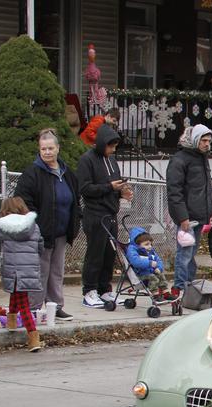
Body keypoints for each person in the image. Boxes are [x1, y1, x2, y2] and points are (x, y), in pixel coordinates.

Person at [14, 128, 80, 321]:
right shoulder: (32, 173)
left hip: (61, 231)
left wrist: (77, 218)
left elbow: (75, 198)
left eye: (51, 148)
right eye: (44, 149)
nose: (48, 152)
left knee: (57, 271)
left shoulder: (67, 172)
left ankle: (56, 307)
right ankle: (33, 309)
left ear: (58, 148)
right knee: (39, 271)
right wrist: (35, 224)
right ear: (39, 150)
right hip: (40, 232)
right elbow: (22, 201)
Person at [0, 197, 43, 352]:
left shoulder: (4, 226)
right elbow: (40, 245)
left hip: (14, 269)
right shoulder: (32, 225)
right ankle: (12, 321)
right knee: (17, 293)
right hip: (29, 268)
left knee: (24, 304)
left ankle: (33, 337)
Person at [78, 123, 130, 308]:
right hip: (95, 214)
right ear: (102, 143)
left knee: (109, 254)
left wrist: (120, 192)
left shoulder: (112, 161)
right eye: (110, 146)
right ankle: (89, 290)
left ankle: (105, 289)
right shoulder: (87, 160)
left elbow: (114, 185)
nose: (113, 149)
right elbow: (84, 188)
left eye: (115, 146)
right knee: (95, 254)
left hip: (111, 213)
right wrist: (110, 188)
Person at [166, 124, 212, 297]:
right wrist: (182, 217)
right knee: (184, 254)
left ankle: (189, 288)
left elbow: (204, 188)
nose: (207, 144)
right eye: (203, 140)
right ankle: (179, 288)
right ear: (195, 140)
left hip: (201, 215)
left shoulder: (202, 158)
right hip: (187, 217)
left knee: (192, 254)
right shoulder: (179, 159)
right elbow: (174, 191)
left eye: (209, 140)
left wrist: (209, 210)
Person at [125, 227, 172, 300]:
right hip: (140, 275)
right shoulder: (132, 250)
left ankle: (165, 292)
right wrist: (149, 263)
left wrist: (158, 268)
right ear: (138, 244)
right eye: (146, 244)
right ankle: (155, 295)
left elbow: (158, 260)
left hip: (151, 272)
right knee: (152, 277)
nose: (150, 246)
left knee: (160, 275)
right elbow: (135, 261)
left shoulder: (150, 250)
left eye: (150, 244)